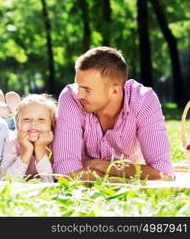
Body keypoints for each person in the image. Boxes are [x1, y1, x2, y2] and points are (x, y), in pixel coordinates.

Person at [52, 46, 175, 180]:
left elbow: (163, 172)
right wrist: (121, 176)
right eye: (78, 86)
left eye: (87, 89)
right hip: (123, 178)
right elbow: (65, 170)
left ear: (114, 91)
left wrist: (102, 166)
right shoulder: (70, 97)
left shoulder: (144, 100)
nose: (80, 95)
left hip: (92, 174)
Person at [0, 94, 56, 182]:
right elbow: (5, 179)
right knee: (5, 124)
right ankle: (5, 115)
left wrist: (40, 149)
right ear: (18, 127)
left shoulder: (55, 144)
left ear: (51, 126)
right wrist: (26, 151)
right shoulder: (12, 142)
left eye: (41, 119)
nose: (33, 123)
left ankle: (9, 113)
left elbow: (49, 180)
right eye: (26, 119)